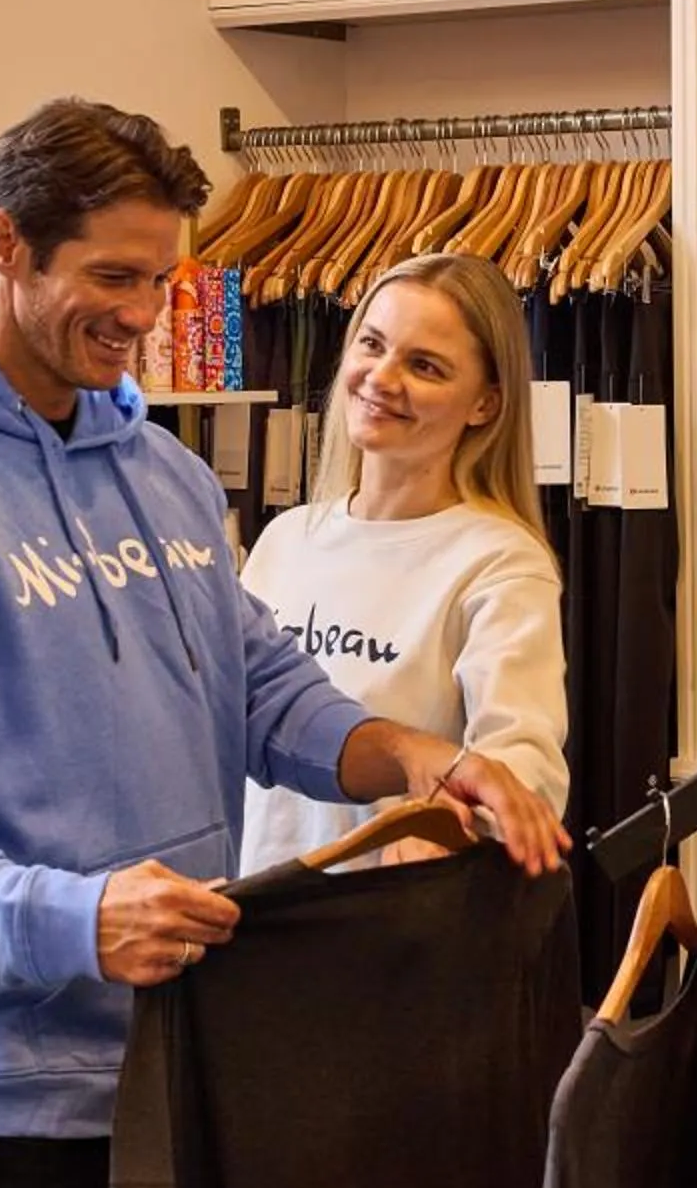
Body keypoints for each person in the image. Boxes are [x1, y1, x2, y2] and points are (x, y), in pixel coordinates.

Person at [0, 99, 568, 1188]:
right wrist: (77, 918)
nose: (145, 316)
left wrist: (422, 757)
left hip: (196, 1076)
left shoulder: (164, 474)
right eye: (113, 276)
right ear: (4, 244)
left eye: (161, 280)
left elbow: (262, 691)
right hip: (6, 1121)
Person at [239, 252, 567, 874]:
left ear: (485, 405)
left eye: (424, 366)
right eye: (372, 344)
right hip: (251, 918)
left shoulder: (498, 563)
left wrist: (444, 824)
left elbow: (525, 765)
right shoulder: (286, 540)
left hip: (385, 931)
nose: (382, 378)